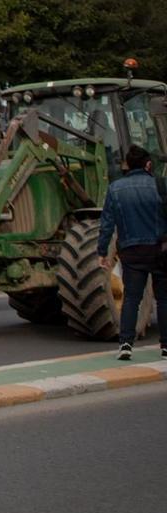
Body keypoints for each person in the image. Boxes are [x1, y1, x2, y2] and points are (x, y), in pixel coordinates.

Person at [100, 145, 165, 360]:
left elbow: (107, 224)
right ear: (148, 164)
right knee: (163, 299)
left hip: (130, 251)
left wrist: (102, 251)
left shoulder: (115, 188)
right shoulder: (159, 185)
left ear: (126, 165)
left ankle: (126, 344)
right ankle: (165, 346)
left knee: (131, 299)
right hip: (159, 249)